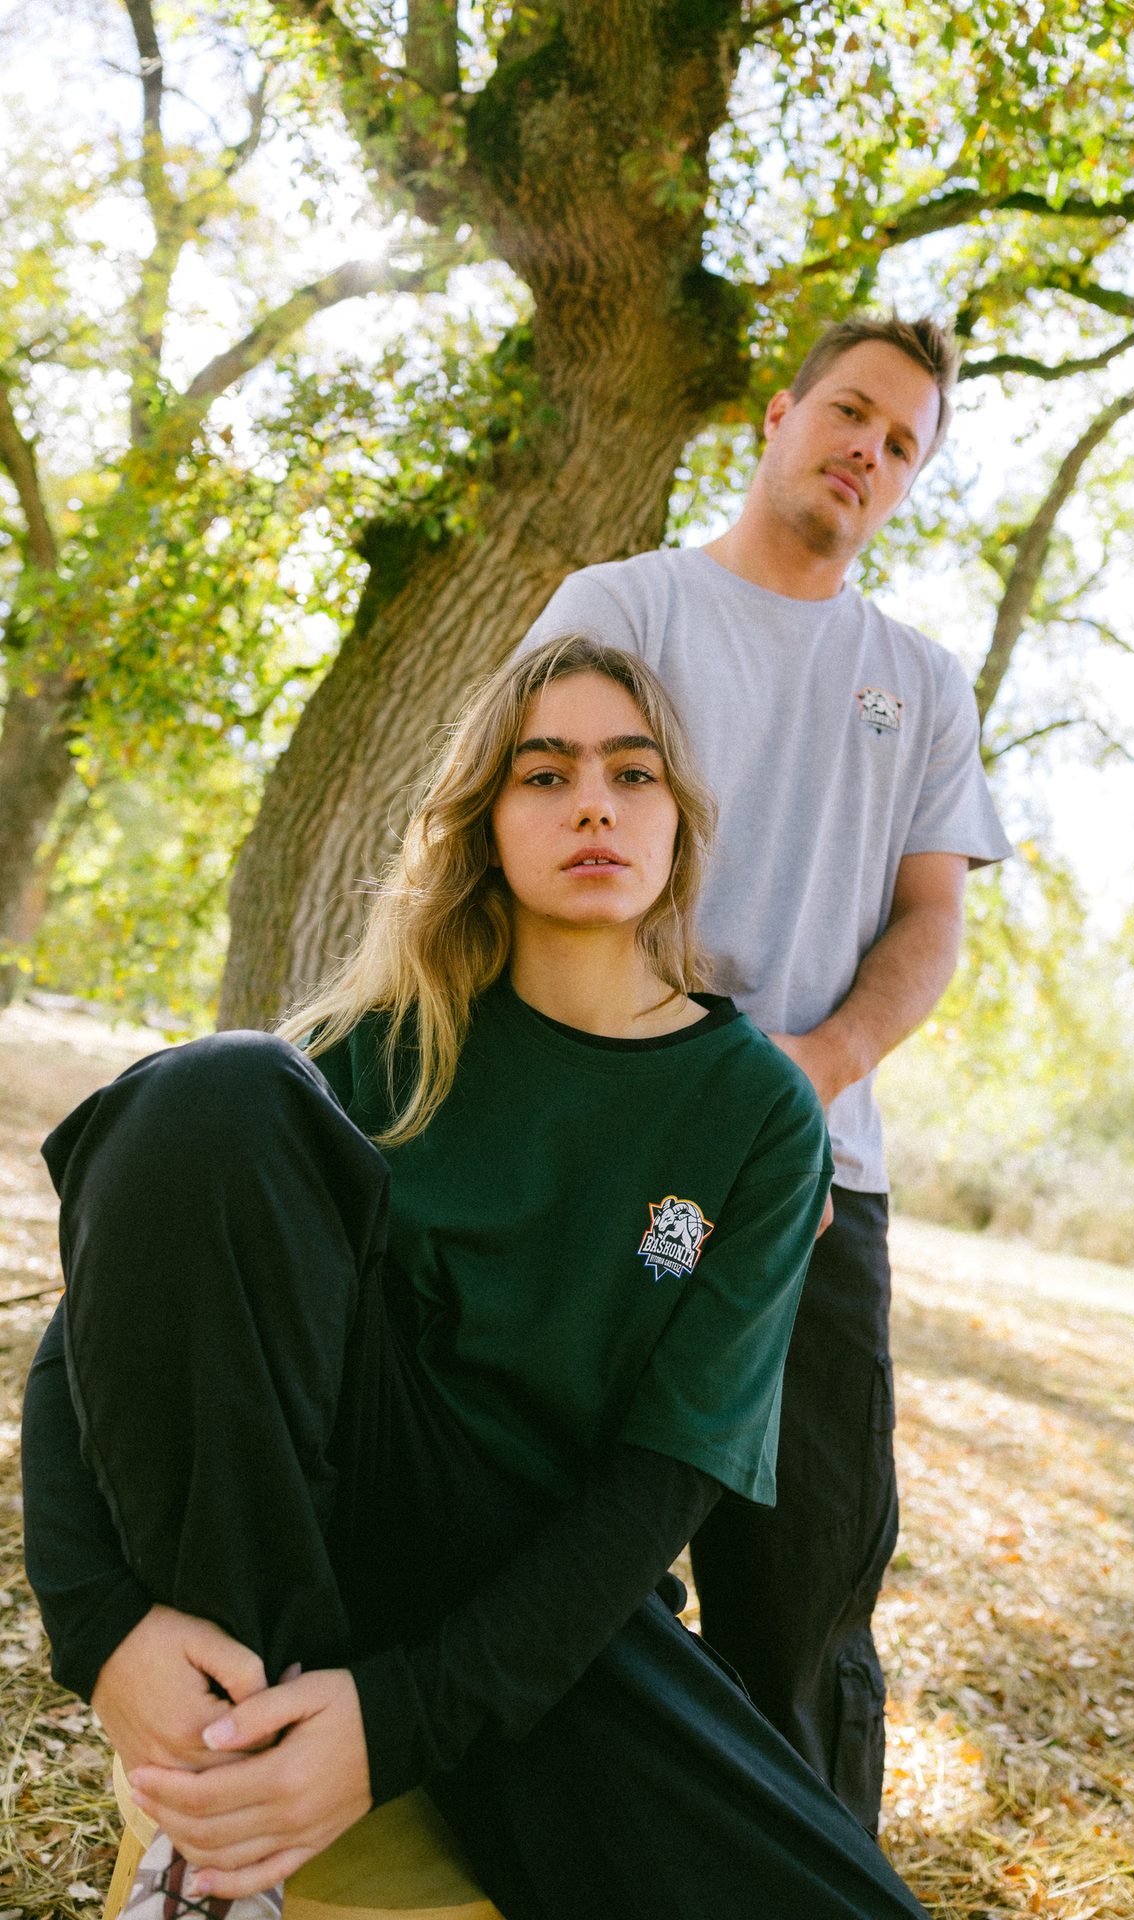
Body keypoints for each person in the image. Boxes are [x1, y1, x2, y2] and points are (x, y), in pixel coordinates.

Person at [22, 636, 933, 1920]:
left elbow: (657, 1488)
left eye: (632, 774)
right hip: (308, 1523)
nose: (593, 805)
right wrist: (101, 1625)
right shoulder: (363, 1049)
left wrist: (392, 1726)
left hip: (550, 1600)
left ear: (679, 820)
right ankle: (215, 1861)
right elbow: (100, 1336)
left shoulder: (757, 1115)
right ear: (484, 823)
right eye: (542, 774)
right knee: (207, 1088)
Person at [522, 315, 1013, 1834]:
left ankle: (801, 1868)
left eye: (901, 442)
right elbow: (528, 823)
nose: (867, 450)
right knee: (562, 1550)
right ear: (781, 413)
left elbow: (932, 917)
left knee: (801, 1599)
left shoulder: (918, 683)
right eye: (849, 413)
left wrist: (818, 1067)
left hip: (813, 1185)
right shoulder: (624, 606)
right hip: (606, 1157)